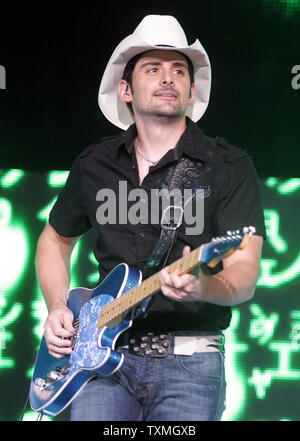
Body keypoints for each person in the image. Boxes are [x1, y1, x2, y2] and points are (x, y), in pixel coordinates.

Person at [36, 15, 265, 421]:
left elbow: (244, 272)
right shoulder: (96, 163)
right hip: (98, 362)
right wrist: (57, 306)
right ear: (126, 89)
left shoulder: (227, 165)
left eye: (179, 70)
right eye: (153, 68)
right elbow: (55, 240)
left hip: (189, 364)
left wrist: (204, 286)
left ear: (192, 91)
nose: (168, 78)